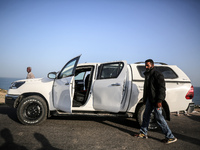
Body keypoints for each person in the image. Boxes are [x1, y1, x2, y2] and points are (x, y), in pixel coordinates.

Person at [134, 59, 177, 144]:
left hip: (156, 100)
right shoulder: (147, 74)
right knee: (146, 116)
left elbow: (162, 88)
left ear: (152, 65)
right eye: (145, 65)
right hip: (149, 100)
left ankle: (170, 137)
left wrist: (160, 100)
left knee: (159, 118)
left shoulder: (157, 74)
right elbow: (147, 88)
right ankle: (143, 133)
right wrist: (145, 99)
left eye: (148, 65)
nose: (146, 67)